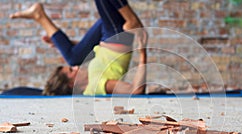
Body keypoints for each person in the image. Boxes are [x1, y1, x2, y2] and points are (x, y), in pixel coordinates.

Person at [10, 1, 147, 96]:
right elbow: (135, 90)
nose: (75, 67)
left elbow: (99, 54)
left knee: (73, 57)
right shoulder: (95, 86)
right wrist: (142, 52)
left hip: (106, 35)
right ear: (71, 85)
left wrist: (69, 43)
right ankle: (133, 20)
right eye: (71, 71)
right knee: (72, 58)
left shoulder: (91, 74)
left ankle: (39, 16)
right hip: (117, 36)